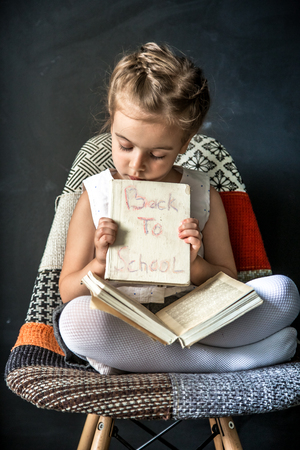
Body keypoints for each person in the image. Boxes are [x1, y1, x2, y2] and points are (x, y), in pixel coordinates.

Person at [56, 43, 299, 374]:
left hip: (191, 319)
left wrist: (195, 266)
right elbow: (68, 290)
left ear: (185, 144)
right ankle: (227, 362)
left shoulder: (200, 193)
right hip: (119, 323)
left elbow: (230, 280)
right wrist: (99, 263)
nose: (136, 165)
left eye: (157, 155)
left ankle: (166, 358)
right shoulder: (97, 194)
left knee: (283, 293)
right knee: (76, 320)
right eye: (125, 146)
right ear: (112, 122)